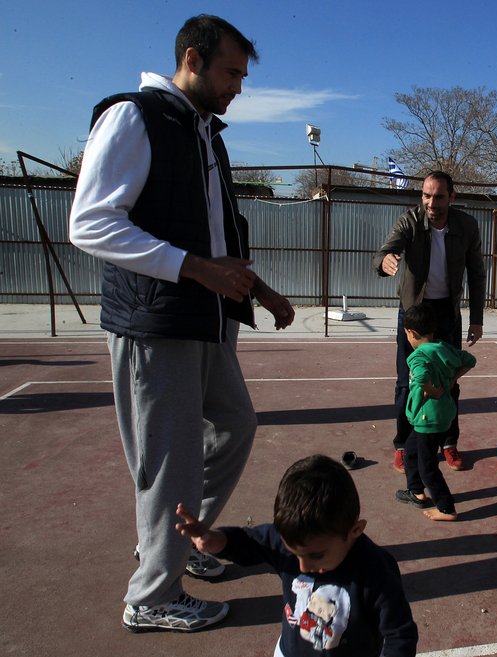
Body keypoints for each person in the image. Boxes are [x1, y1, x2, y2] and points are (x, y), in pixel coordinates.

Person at [68, 15, 295, 632]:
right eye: (230, 73)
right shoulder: (133, 117)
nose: (238, 88)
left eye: (243, 76)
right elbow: (89, 223)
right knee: (168, 461)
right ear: (192, 59)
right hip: (158, 323)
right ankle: (151, 595)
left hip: (207, 318)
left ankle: (178, 543)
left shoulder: (202, 133)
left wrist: (263, 292)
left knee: (235, 426)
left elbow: (219, 236)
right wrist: (195, 269)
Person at [176, 454, 418, 656]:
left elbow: (399, 634)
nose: (302, 566)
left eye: (316, 555)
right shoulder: (293, 539)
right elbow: (249, 542)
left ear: (354, 530)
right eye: (294, 554)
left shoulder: (375, 569)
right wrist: (216, 540)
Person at [373, 171, 485, 473]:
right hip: (414, 314)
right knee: (406, 382)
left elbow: (476, 272)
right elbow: (384, 251)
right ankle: (403, 444)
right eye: (426, 195)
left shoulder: (467, 226)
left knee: (450, 381)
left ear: (451, 197)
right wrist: (385, 262)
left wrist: (476, 319)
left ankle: (448, 443)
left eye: (437, 196)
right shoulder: (409, 221)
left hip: (447, 313)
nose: (430, 202)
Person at [394, 304, 476, 521]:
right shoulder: (444, 348)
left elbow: (420, 378)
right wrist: (451, 380)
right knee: (411, 449)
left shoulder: (417, 357)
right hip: (443, 414)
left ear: (410, 333)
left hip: (427, 418)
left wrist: (430, 390)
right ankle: (416, 492)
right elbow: (470, 360)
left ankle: (446, 508)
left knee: (427, 465)